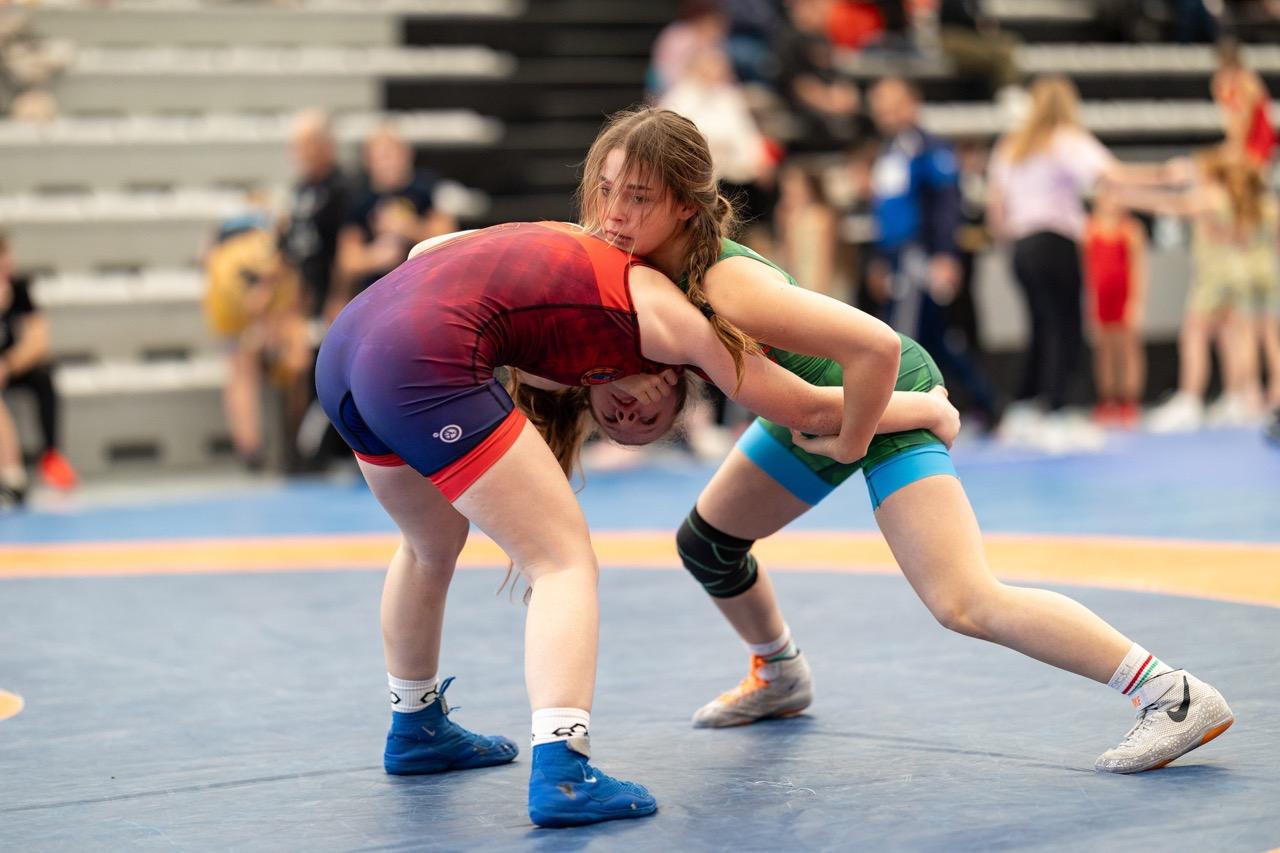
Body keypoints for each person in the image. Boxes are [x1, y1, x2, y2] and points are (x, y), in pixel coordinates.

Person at [572, 105, 1234, 776]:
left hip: (877, 393)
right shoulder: (648, 264)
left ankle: (1171, 694)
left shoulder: (727, 284)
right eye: (607, 189)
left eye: (638, 197)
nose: (614, 212)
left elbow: (877, 347)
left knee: (964, 600)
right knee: (708, 543)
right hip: (812, 409)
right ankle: (780, 672)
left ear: (686, 206)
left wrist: (862, 434)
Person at [313, 219, 892, 828]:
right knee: (562, 562)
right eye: (645, 417)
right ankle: (564, 770)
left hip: (348, 348)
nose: (630, 414)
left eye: (623, 424)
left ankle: (417, 727)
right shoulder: (669, 321)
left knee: (429, 545)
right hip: (410, 354)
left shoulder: (569, 309)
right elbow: (805, 408)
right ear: (672, 379)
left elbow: (427, 250)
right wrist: (928, 407)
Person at [987, 75, 1185, 451]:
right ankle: (1056, 411)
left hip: (1021, 247)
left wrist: (1009, 245)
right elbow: (1113, 175)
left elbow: (997, 206)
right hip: (1054, 242)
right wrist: (1163, 175)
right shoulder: (1064, 140)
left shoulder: (1011, 145)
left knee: (1040, 326)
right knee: (1065, 328)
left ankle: (1024, 409)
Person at [867, 76, 1002, 428]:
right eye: (880, 107)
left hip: (920, 255)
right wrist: (880, 260)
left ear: (912, 104)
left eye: (892, 105)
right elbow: (886, 211)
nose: (885, 113)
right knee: (933, 340)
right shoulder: (889, 151)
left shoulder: (931, 149)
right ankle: (986, 404)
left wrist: (944, 255)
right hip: (896, 255)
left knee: (901, 337)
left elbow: (946, 205)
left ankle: (904, 415)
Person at [203, 207, 311, 471]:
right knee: (246, 366)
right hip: (241, 290)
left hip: (244, 281)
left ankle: (256, 447)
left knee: (252, 366)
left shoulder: (255, 259)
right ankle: (272, 445)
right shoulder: (249, 266)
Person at [332, 125, 455, 318]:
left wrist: (409, 227)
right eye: (380, 157)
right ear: (368, 161)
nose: (387, 163)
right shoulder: (360, 200)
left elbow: (450, 239)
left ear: (407, 155)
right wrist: (375, 257)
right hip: (375, 294)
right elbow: (347, 260)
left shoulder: (425, 190)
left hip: (421, 290)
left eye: (392, 154)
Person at [0, 230, 77, 504]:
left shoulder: (18, 287)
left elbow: (39, 338)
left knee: (44, 376)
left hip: (11, 365)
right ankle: (12, 474)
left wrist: (8, 365)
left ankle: (51, 456)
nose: (9, 262)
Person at [1084, 182, 1148, 427]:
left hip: (1123, 297)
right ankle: (1107, 398)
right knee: (1104, 349)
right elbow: (1086, 270)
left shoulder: (1131, 229)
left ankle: (1129, 398)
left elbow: (1138, 268)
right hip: (1100, 299)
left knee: (1127, 347)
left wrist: (1136, 302)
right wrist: (1089, 302)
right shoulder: (1089, 229)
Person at [1211, 37, 1276, 169]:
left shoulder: (1246, 80)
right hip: (1239, 139)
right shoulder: (1220, 80)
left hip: (1255, 141)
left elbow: (1247, 117)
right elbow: (1229, 116)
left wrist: (1238, 146)